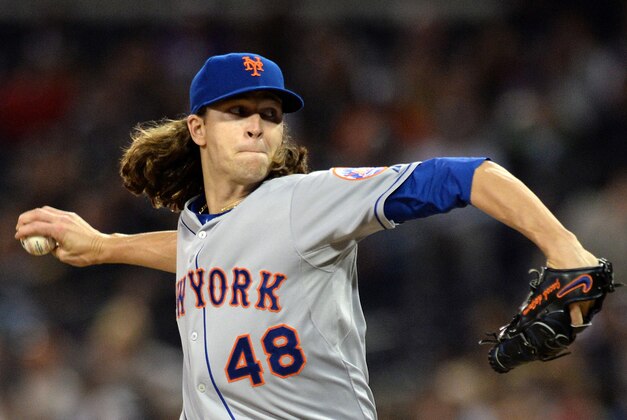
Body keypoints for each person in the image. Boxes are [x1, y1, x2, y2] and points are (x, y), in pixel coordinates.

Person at [16, 52, 600, 419]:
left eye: (269, 114)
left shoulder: (304, 201)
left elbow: (469, 175)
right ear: (197, 127)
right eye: (237, 111)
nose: (257, 125)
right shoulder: (201, 227)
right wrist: (106, 246)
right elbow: (202, 254)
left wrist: (563, 246)